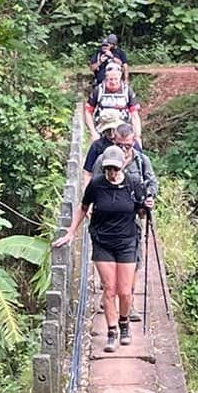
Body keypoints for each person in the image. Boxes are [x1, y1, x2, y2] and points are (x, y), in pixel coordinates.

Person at [54, 146, 142, 350]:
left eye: (115, 169)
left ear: (122, 167)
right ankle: (112, 332)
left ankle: (124, 323)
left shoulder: (132, 184)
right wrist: (70, 232)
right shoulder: (96, 184)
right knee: (109, 288)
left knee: (125, 291)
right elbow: (83, 208)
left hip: (127, 241)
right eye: (108, 169)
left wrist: (147, 206)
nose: (111, 173)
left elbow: (141, 212)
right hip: (102, 241)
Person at [86, 60, 140, 141]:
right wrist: (93, 132)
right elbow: (88, 111)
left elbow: (134, 114)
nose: (113, 82)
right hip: (102, 128)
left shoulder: (127, 91)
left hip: (123, 129)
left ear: (120, 76)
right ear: (106, 77)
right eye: (111, 79)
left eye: (116, 79)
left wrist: (137, 135)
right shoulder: (98, 90)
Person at [83, 109, 126, 174]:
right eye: (108, 130)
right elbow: (87, 172)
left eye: (114, 130)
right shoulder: (96, 146)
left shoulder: (128, 144)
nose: (112, 135)